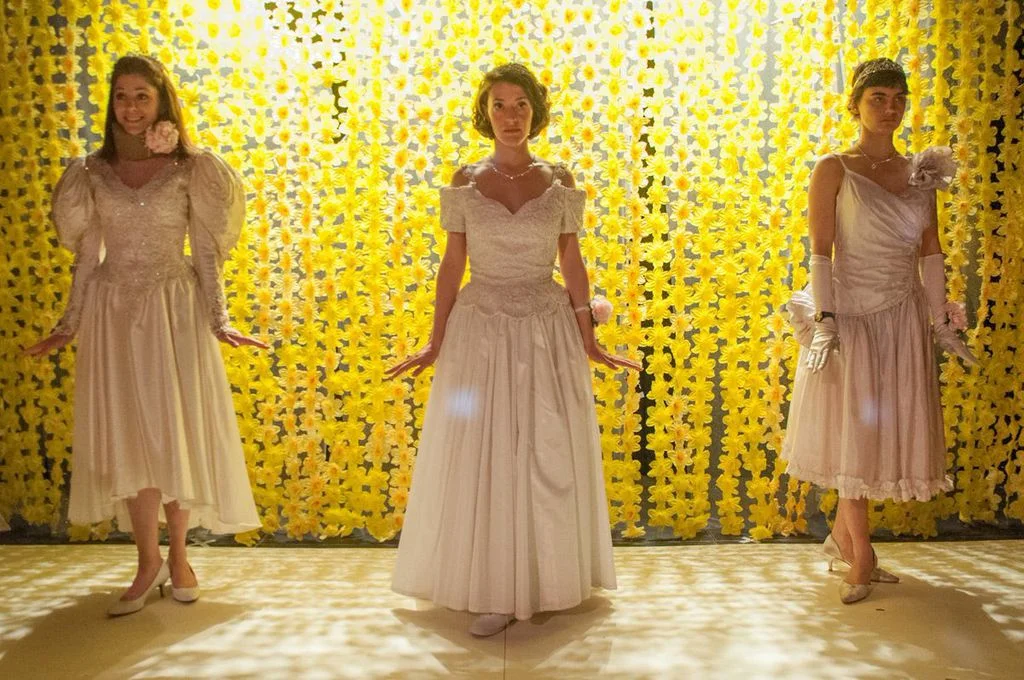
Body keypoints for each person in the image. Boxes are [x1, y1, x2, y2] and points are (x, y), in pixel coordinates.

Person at [389, 63, 640, 636]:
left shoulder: (559, 178)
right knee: (485, 449)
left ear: (535, 111)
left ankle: (546, 578)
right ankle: (492, 586)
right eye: (499, 105)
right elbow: (452, 263)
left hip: (544, 328)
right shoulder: (465, 178)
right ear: (486, 113)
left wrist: (588, 335)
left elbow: (572, 261)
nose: (510, 116)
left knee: (543, 449)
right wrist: (435, 339)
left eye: (520, 104)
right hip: (480, 329)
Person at [24, 54, 266, 616]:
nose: (131, 108)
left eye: (142, 96)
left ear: (162, 103)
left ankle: (179, 557)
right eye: (121, 96)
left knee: (173, 432)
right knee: (129, 437)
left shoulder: (192, 167)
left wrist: (219, 319)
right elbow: (87, 256)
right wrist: (68, 323)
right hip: (113, 311)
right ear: (110, 103)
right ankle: (146, 561)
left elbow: (205, 250)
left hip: (173, 309)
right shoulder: (89, 172)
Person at [783, 57, 975, 604]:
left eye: (898, 99)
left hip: (901, 317)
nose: (890, 109)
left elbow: (931, 251)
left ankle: (844, 541)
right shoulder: (834, 167)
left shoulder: (920, 172)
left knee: (878, 435)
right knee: (854, 431)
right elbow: (821, 251)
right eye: (878, 99)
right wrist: (825, 321)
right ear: (855, 105)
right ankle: (861, 556)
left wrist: (940, 324)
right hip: (851, 316)